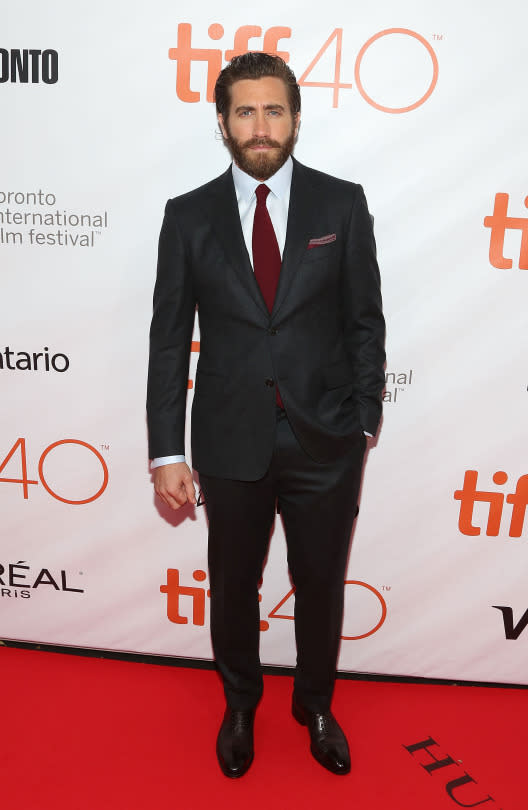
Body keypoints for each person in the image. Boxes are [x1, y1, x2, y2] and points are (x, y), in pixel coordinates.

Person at [147, 52, 385, 778]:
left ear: (297, 118)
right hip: (228, 439)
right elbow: (167, 342)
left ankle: (314, 703)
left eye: (274, 110)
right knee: (233, 584)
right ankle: (241, 702)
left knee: (319, 581)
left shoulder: (341, 204)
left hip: (325, 440)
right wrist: (167, 453)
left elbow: (365, 322)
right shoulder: (187, 217)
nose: (260, 126)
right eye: (244, 111)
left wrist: (364, 419)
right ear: (222, 123)